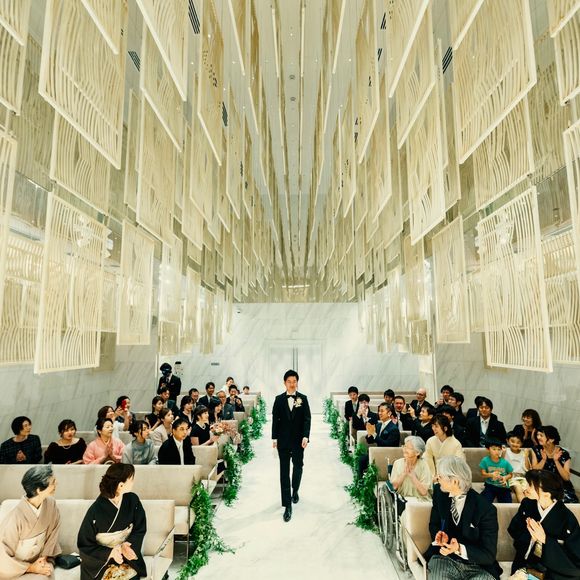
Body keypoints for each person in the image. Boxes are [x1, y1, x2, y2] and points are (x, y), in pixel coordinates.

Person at [425, 455, 502, 580]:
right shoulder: (439, 493)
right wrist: (440, 536)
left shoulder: (486, 509)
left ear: (454, 481)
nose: (437, 479)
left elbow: (488, 554)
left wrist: (459, 548)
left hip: (478, 566)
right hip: (444, 560)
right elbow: (434, 524)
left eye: (440, 476)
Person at [78, 463, 147, 579]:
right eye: (131, 479)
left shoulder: (132, 500)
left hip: (125, 557)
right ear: (121, 485)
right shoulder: (95, 510)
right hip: (102, 561)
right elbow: (84, 544)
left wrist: (128, 545)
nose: (133, 482)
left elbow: (139, 527)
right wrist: (109, 553)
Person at [508, 470, 580, 580]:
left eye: (531, 486)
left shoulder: (567, 519)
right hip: (526, 565)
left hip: (554, 571)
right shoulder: (527, 504)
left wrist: (544, 539)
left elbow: (575, 560)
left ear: (546, 494)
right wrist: (532, 539)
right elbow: (513, 530)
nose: (526, 489)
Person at [0, 465, 61, 578]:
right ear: (39, 490)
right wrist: (31, 567)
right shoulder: (15, 518)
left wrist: (43, 559)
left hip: (42, 559)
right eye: (53, 482)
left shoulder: (51, 505)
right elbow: (2, 556)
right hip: (17, 567)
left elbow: (53, 534)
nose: (56, 484)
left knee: (46, 574)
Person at [272, 369, 312, 523]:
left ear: (297, 382)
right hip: (283, 441)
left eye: (294, 381)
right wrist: (274, 438)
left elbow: (307, 419)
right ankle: (287, 505)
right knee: (284, 472)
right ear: (284, 383)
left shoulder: (303, 399)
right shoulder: (279, 399)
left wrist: (305, 436)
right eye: (289, 381)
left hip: (298, 441)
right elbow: (275, 420)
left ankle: (295, 490)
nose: (292, 384)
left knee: (298, 466)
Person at [531, 426, 579, 503]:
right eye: (537, 435)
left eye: (541, 435)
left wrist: (556, 461)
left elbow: (566, 478)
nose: (538, 437)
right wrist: (543, 460)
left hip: (560, 484)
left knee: (569, 501)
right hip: (543, 483)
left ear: (551, 439)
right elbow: (534, 472)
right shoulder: (536, 450)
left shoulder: (564, 453)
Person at [390, 436, 432, 501]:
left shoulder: (424, 465)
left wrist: (413, 477)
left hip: (420, 500)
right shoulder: (397, 463)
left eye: (408, 448)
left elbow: (423, 492)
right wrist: (403, 474)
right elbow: (393, 487)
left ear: (417, 452)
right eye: (404, 446)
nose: (405, 449)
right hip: (402, 499)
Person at [479, 438, 513, 504]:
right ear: (488, 449)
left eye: (499, 449)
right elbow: (483, 473)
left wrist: (505, 478)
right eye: (494, 449)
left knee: (507, 503)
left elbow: (511, 474)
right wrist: (491, 475)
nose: (496, 451)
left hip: (503, 487)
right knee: (484, 502)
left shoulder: (505, 462)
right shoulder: (485, 460)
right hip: (490, 485)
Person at [503, 431, 531, 502]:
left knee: (529, 490)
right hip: (510, 477)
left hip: (523, 477)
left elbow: (527, 469)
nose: (515, 444)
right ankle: (524, 506)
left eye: (518, 442)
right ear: (507, 441)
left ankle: (532, 506)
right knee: (518, 487)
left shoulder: (524, 453)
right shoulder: (505, 451)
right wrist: (503, 453)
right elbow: (501, 465)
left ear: (521, 443)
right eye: (512, 441)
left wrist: (526, 456)